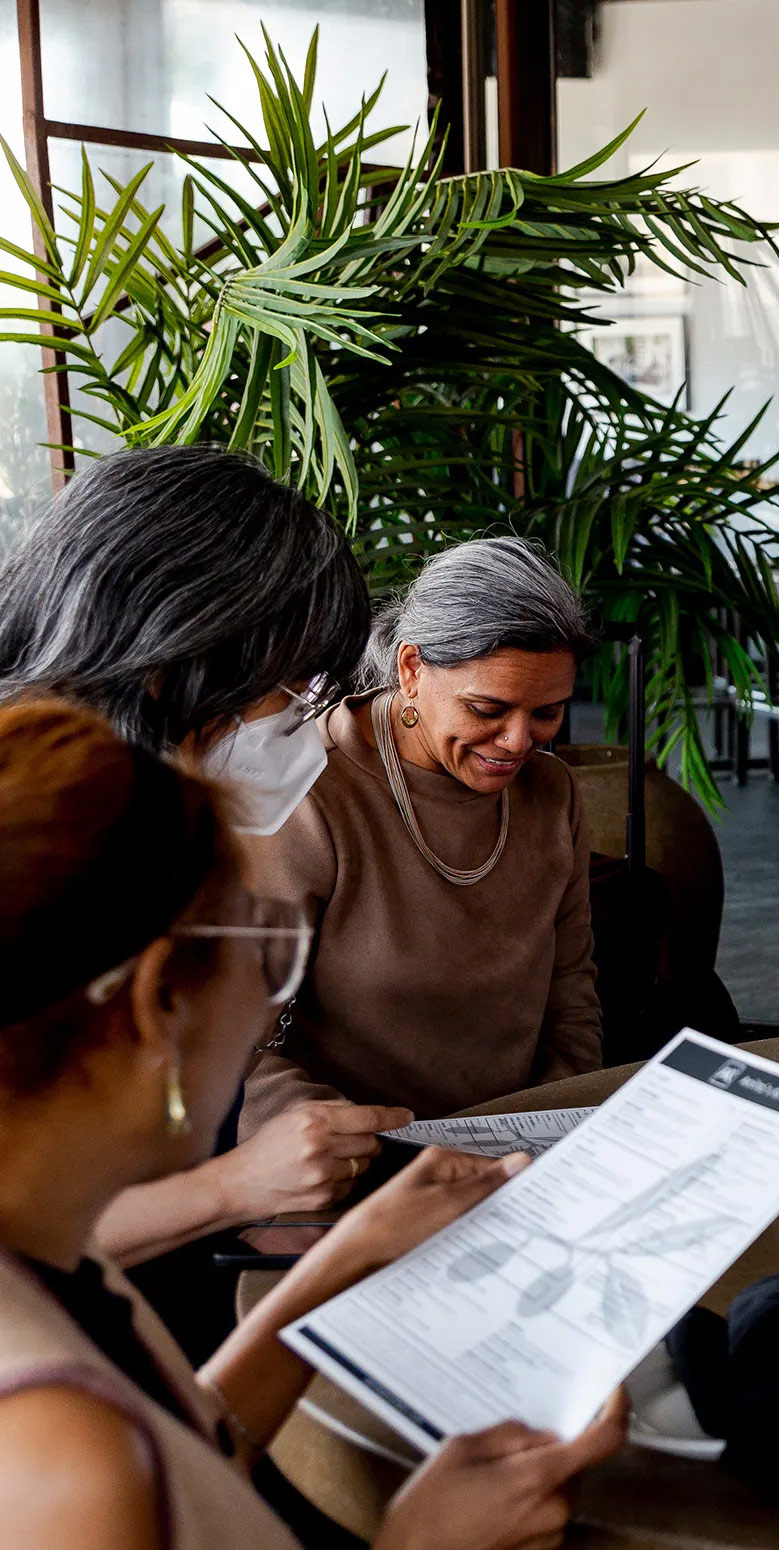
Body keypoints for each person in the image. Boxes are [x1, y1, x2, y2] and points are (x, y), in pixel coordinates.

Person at [0, 698, 624, 1548]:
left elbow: (193, 1446)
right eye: (262, 946)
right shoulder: (64, 1457)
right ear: (157, 1002)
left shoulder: (58, 1257)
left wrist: (354, 1248)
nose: (271, 1001)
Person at [0, 447, 413, 1273]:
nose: (304, 720)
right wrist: (231, 1189)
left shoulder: (142, 833)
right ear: (169, 663)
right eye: (289, 687)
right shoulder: (37, 852)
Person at [240, 536, 603, 1132]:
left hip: (523, 1144)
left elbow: (571, 988)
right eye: (487, 710)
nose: (519, 742)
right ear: (411, 669)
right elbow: (242, 1049)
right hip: (354, 1157)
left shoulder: (552, 792)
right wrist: (365, 1153)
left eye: (546, 713)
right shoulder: (310, 792)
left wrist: (553, 1126)